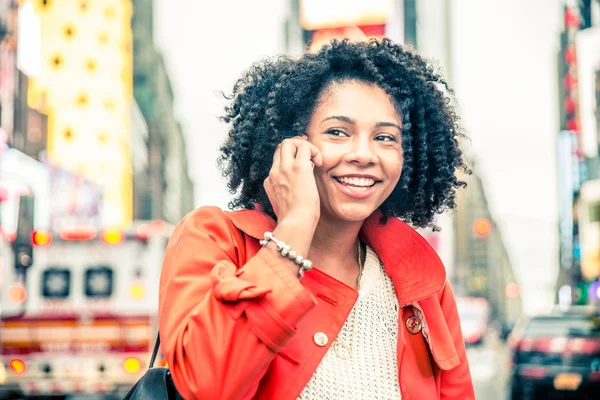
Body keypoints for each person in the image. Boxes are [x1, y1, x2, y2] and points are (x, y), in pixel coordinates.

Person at [158, 38, 475, 400]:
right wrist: (294, 227)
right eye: (338, 132)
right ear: (290, 143)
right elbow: (207, 386)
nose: (363, 154)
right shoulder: (216, 240)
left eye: (385, 138)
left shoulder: (424, 283)